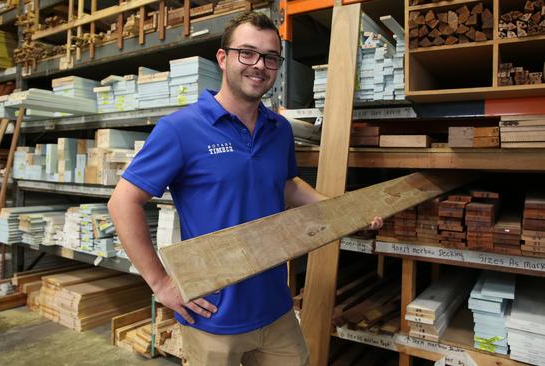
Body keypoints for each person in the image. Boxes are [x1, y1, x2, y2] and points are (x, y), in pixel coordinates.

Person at [108, 11, 383, 366]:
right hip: (212, 315)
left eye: (270, 57)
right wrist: (160, 283)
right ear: (223, 59)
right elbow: (123, 202)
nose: (259, 65)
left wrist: (343, 214)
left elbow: (286, 186)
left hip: (276, 309)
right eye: (247, 53)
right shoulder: (180, 129)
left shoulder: (279, 128)